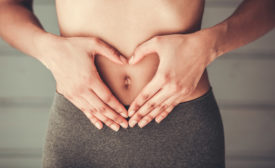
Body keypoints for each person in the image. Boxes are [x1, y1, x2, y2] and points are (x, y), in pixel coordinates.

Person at [0, 0, 274, 167]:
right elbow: (6, 6)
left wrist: (209, 46)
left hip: (182, 128)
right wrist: (49, 50)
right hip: (81, 126)